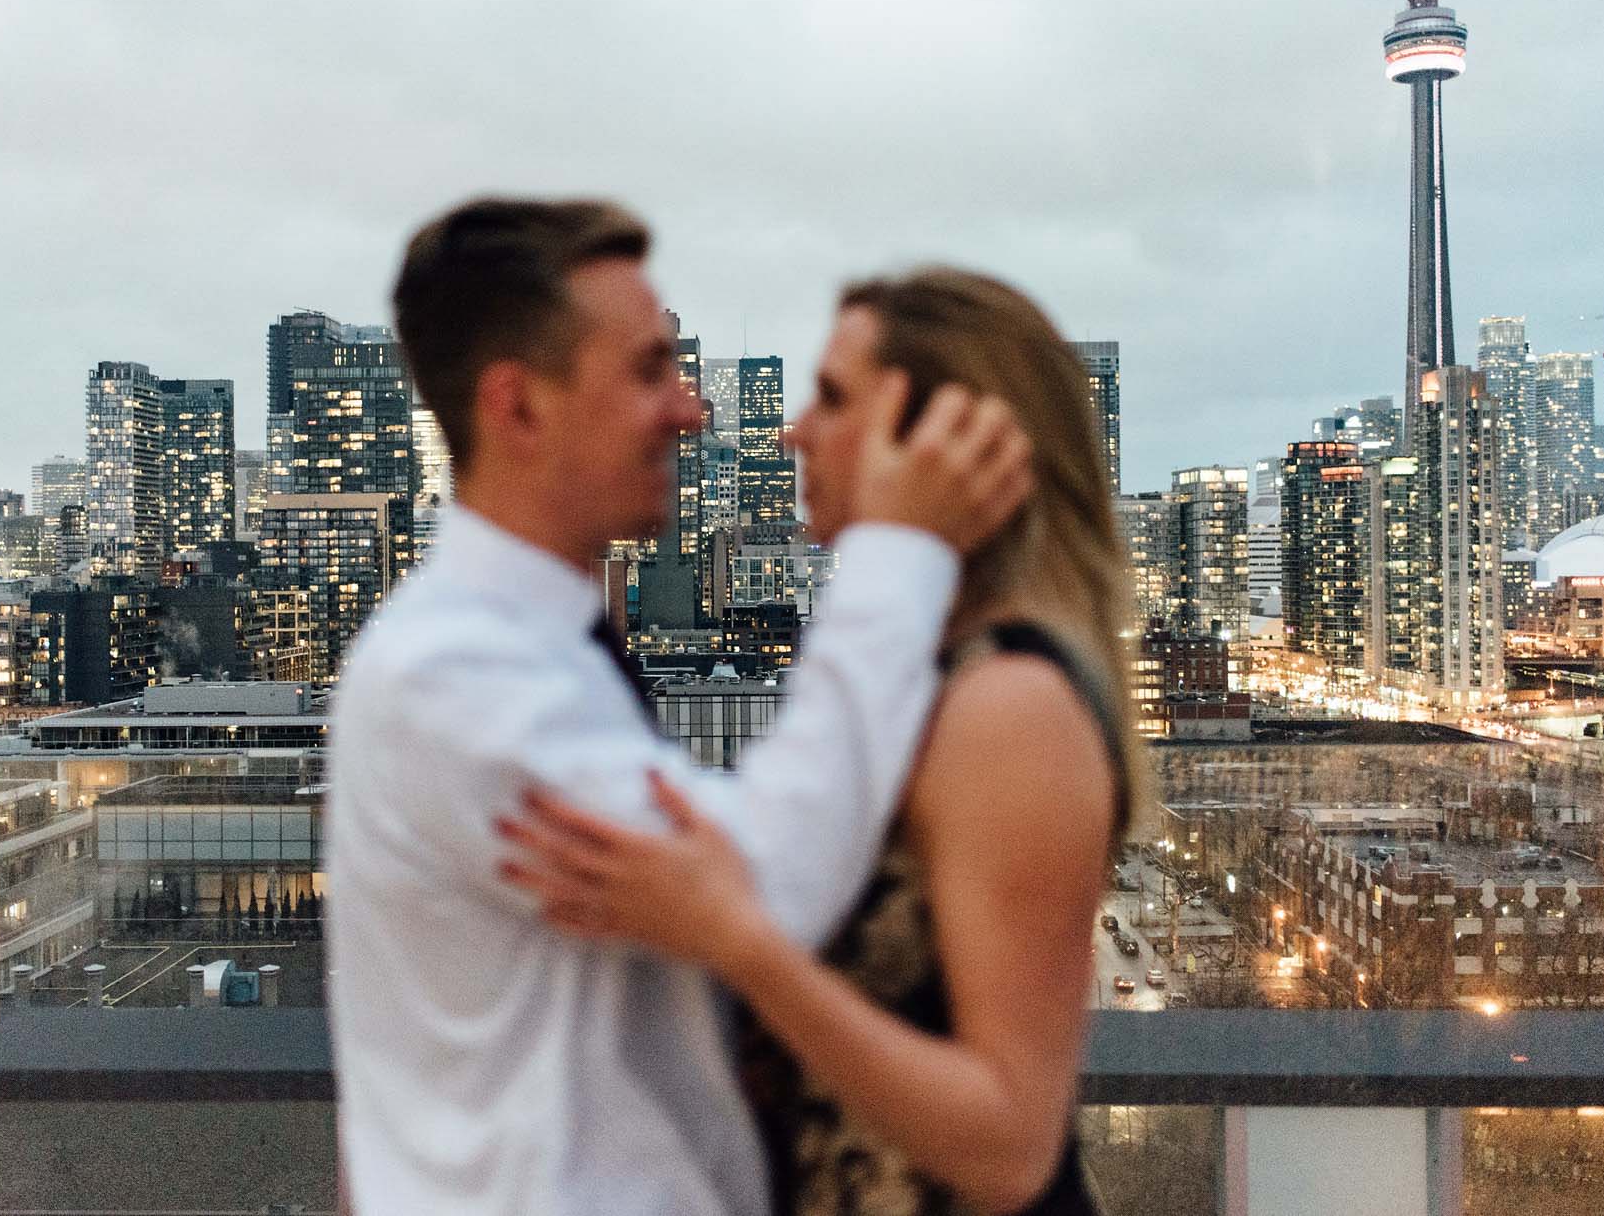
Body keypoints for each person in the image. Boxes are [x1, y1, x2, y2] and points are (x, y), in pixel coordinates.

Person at [325, 199, 1035, 1216]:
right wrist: (900, 546)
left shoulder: (535, 648)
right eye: (648, 371)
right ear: (518, 408)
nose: (690, 409)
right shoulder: (452, 674)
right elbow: (769, 876)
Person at [497, 267, 1143, 1215]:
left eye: (834, 398)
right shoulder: (924, 669)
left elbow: (1010, 1144)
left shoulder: (1008, 705)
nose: (795, 429)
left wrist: (737, 940)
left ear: (931, 438)